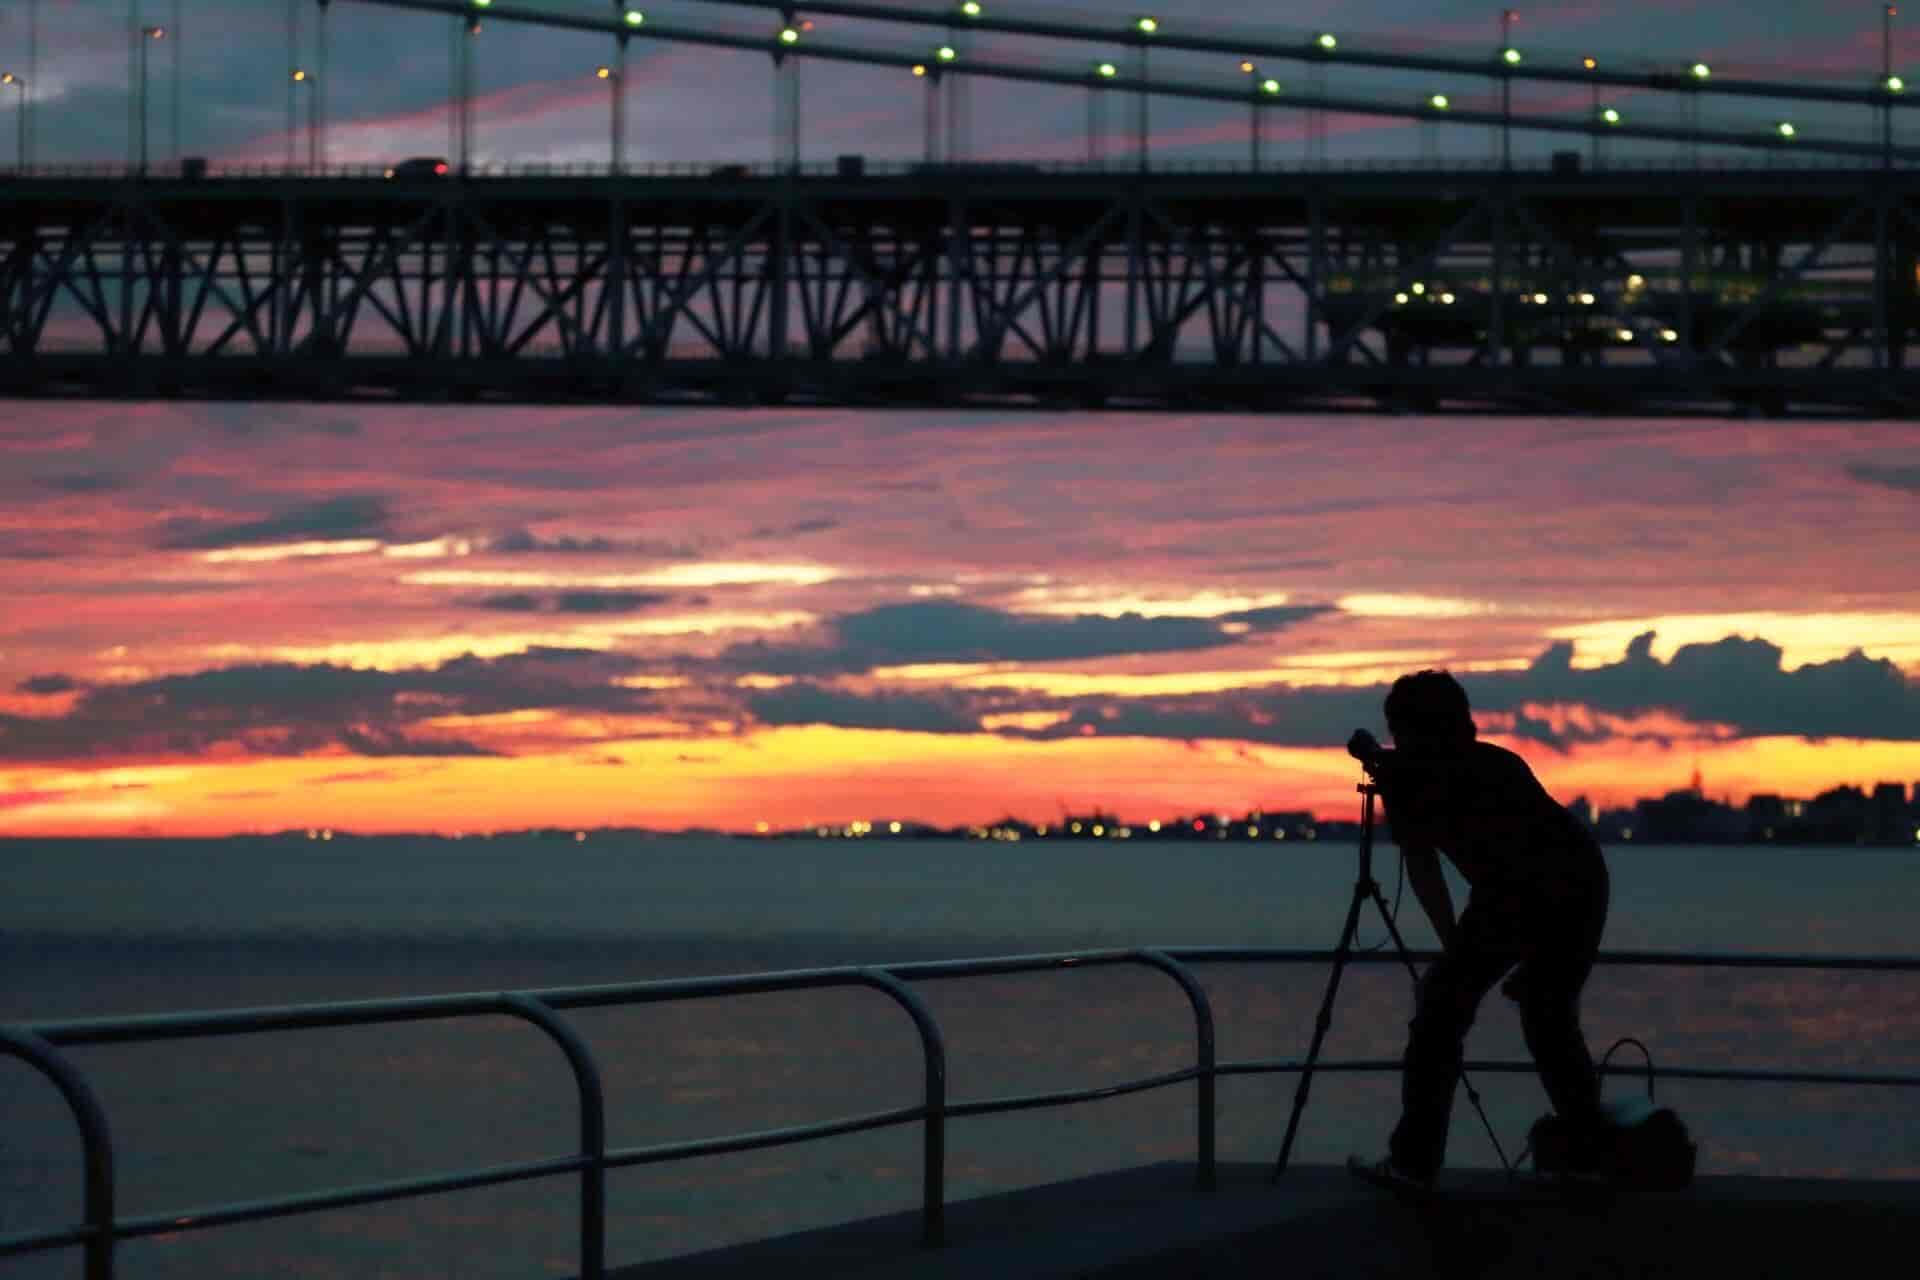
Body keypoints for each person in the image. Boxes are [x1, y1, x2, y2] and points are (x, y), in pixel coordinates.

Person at [1349, 669, 1612, 1192]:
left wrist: (1455, 953)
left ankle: (1415, 1163)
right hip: (1580, 883)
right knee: (1547, 1018)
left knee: (1444, 1018)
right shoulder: (1494, 762)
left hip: (1534, 890)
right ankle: (1587, 1159)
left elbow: (1425, 870)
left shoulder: (1421, 777)